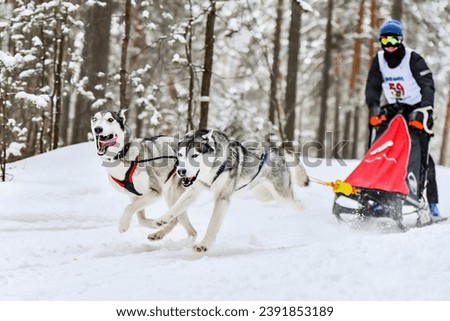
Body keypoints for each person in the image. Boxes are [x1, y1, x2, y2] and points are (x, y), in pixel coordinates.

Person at [365, 19, 443, 221]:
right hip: (394, 108)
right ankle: (376, 195)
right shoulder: (380, 59)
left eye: (393, 40)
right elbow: (372, 86)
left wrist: (425, 108)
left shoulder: (412, 59)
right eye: (385, 40)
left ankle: (430, 202)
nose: (389, 45)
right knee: (381, 147)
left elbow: (427, 85)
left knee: (419, 153)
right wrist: (373, 107)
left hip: (417, 108)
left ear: (400, 40)